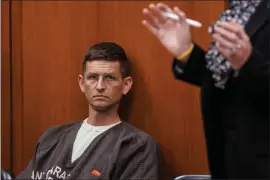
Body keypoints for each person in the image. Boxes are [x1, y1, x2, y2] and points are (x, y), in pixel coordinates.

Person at [142, 1, 269, 179]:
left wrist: (248, 63)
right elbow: (226, 82)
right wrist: (186, 52)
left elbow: (250, 69)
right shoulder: (238, 8)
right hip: (229, 158)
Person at [16, 42, 160, 180]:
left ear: (126, 85)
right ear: (82, 83)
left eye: (109, 78)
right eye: (92, 77)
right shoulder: (51, 138)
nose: (100, 86)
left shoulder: (135, 146)